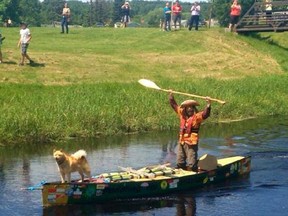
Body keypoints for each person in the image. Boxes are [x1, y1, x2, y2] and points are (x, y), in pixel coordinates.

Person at [169, 91, 211, 172]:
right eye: (187, 107)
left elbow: (205, 114)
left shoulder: (197, 117)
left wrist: (208, 104)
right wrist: (171, 96)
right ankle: (181, 170)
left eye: (191, 107)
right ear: (185, 109)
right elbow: (174, 106)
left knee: (192, 162)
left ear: (194, 108)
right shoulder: (182, 114)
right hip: (182, 141)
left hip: (192, 142)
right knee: (180, 161)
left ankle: (193, 171)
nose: (189, 108)